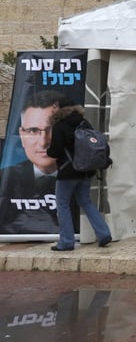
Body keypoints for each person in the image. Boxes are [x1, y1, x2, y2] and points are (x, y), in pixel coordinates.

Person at [45, 98, 112, 251]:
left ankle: (67, 242)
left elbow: (55, 151)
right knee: (86, 202)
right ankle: (103, 233)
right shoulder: (84, 123)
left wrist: (48, 151)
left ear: (61, 109)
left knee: (62, 204)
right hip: (86, 171)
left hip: (68, 171)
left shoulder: (60, 126)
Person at [0, 90, 64, 234]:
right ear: (21, 135)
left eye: (52, 130)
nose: (43, 142)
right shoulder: (4, 179)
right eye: (33, 131)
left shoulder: (89, 180)